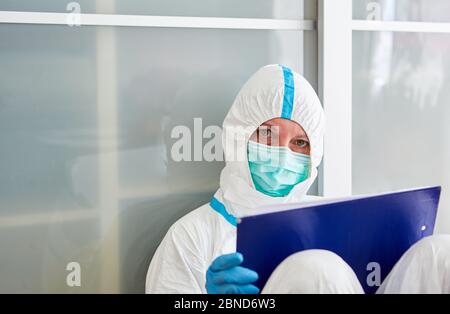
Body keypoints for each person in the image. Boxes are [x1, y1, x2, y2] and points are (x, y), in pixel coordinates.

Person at [146, 64, 450, 294]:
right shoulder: (191, 237)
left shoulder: (332, 222)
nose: (282, 153)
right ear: (238, 136)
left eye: (299, 143)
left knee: (440, 255)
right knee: (316, 269)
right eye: (268, 134)